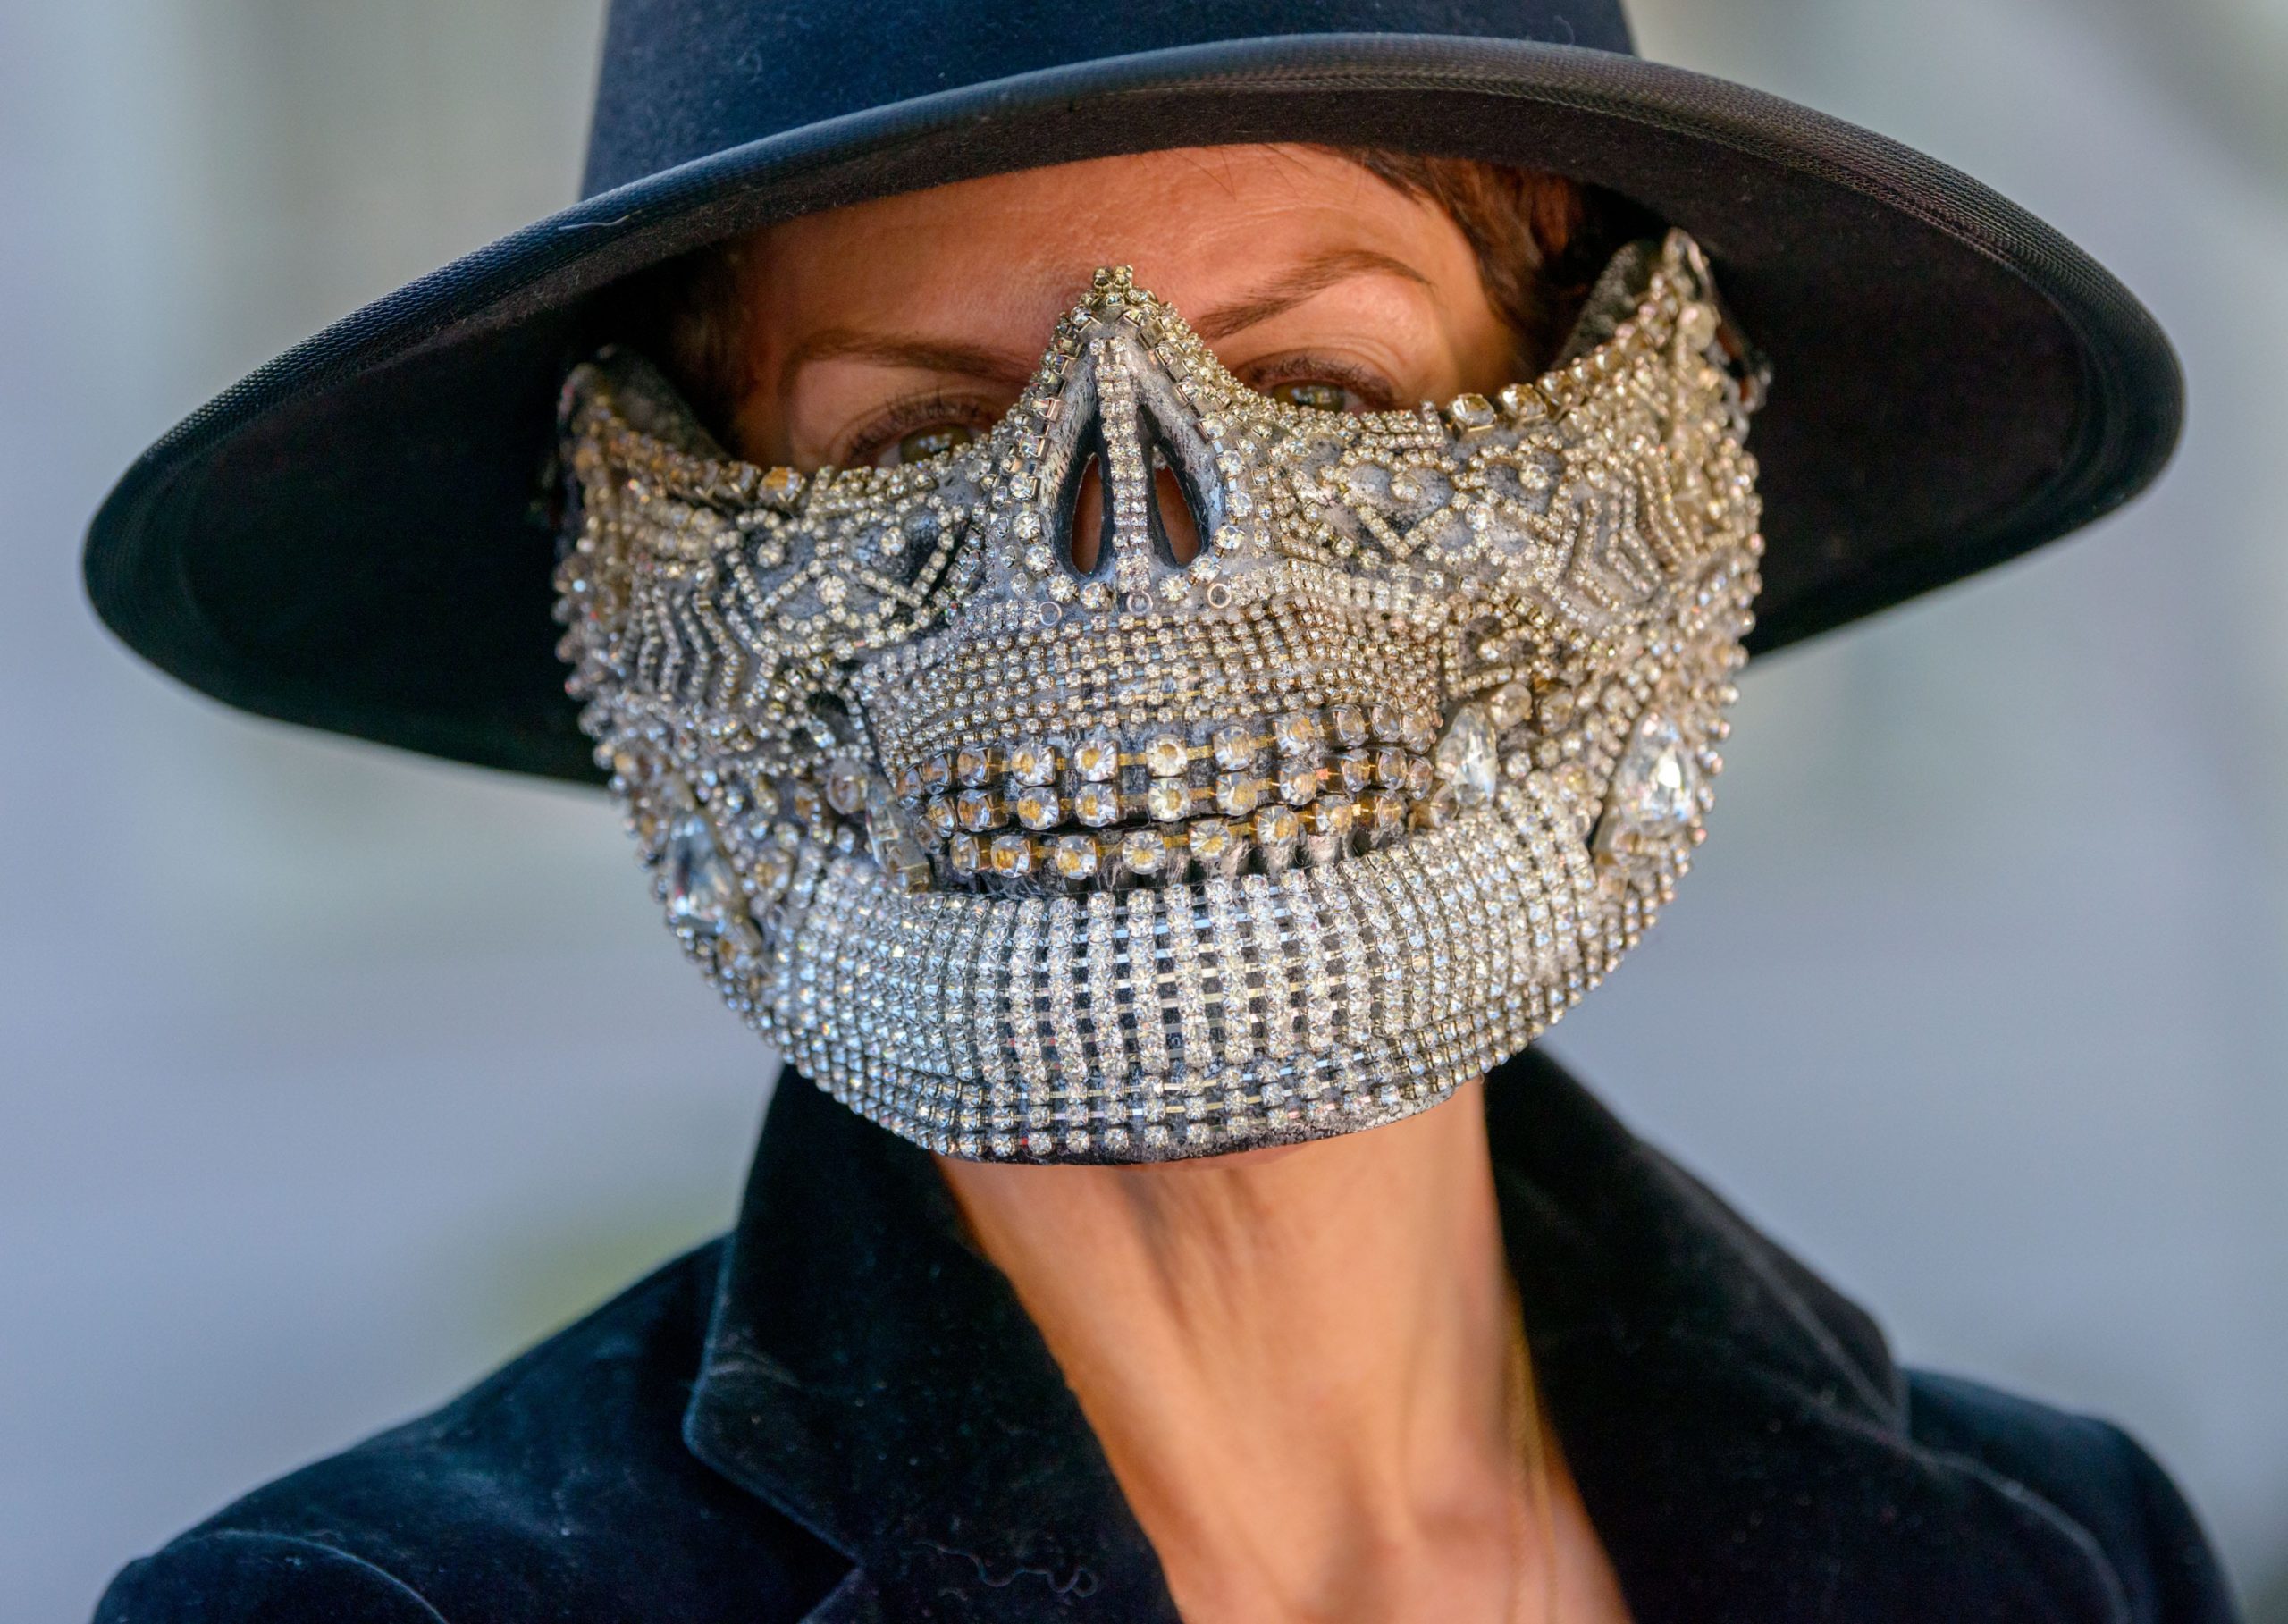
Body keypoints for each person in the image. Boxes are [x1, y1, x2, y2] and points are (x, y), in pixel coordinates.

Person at [83, 3, 2232, 1621]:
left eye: (1311, 390)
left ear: (1648, 445)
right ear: (657, 557)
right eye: (921, 433)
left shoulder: (2070, 1557)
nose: (1125, 554)